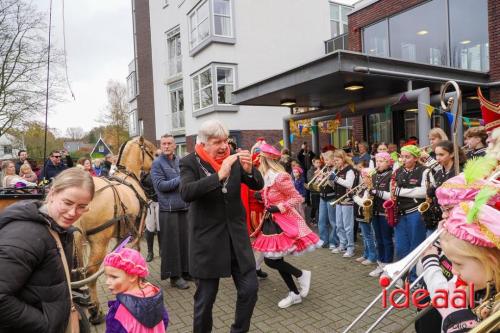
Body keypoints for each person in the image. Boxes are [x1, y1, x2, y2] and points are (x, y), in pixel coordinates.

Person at [179, 120, 264, 333]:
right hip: (207, 244)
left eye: (226, 141)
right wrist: (219, 175)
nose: (224, 146)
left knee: (250, 290)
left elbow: (257, 184)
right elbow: (186, 193)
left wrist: (250, 169)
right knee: (205, 301)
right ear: (204, 143)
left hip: (237, 239)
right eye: (218, 142)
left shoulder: (233, 157)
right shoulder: (190, 162)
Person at [0, 167, 94, 332]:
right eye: (67, 203)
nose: (73, 213)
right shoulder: (23, 237)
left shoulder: (57, 228)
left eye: (82, 206)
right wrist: (46, 324)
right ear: (51, 194)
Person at [252, 144, 321, 309]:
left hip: (283, 222)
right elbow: (271, 195)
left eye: (259, 159)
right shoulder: (267, 176)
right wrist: (261, 197)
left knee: (271, 260)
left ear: (264, 160)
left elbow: (298, 197)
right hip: (271, 222)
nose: (257, 163)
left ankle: (301, 275)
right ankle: (295, 293)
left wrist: (279, 207)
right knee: (275, 259)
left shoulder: (280, 177)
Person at [420, 199, 500, 333]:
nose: (454, 271)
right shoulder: (481, 283)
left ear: (491, 261)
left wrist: (457, 318)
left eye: (458, 264)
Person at [151, 134, 190, 289]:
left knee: (185, 242)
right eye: (163, 143)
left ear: (175, 145)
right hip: (168, 210)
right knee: (171, 245)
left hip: (184, 207)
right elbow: (161, 186)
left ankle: (186, 271)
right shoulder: (157, 164)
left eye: (169, 143)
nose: (166, 146)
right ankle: (175, 277)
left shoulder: (180, 161)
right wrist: (182, 178)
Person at [104, 247, 169, 332]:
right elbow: (165, 320)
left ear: (132, 277)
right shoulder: (154, 296)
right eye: (107, 276)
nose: (107, 282)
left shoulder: (119, 311)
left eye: (113, 277)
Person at [393, 145, 430, 281]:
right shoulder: (398, 171)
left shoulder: (424, 171)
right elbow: (393, 190)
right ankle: (404, 276)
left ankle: (415, 279)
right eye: (402, 156)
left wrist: (401, 192)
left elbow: (423, 192)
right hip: (400, 213)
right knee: (401, 247)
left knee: (416, 246)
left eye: (407, 157)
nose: (403, 159)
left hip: (415, 212)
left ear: (415, 158)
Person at [366, 152, 394, 277]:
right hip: (375, 211)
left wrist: (375, 192)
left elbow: (391, 196)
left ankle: (388, 266)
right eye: (377, 161)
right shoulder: (374, 175)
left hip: (385, 212)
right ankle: (380, 263)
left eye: (382, 161)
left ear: (388, 162)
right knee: (378, 240)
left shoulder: (392, 175)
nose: (379, 163)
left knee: (387, 240)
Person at [329, 149, 356, 257]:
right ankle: (342, 244)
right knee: (339, 225)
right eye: (334, 161)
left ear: (343, 158)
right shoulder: (337, 169)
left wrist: (336, 178)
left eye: (337, 160)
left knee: (348, 226)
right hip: (339, 199)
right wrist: (330, 179)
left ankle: (351, 247)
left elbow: (349, 184)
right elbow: (333, 185)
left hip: (347, 200)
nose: (336, 162)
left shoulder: (350, 170)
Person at [352, 167, 377, 266]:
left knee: (368, 236)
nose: (363, 179)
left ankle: (372, 256)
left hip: (366, 214)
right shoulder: (363, 187)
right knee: (365, 236)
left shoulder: (370, 189)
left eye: (365, 177)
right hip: (360, 214)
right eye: (363, 177)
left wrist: (354, 196)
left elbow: (363, 202)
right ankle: (366, 254)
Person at [317, 150, 338, 249]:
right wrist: (319, 178)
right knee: (321, 220)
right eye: (324, 160)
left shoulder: (336, 170)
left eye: (327, 160)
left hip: (331, 197)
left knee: (332, 221)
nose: (325, 162)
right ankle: (323, 240)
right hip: (322, 197)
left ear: (333, 160)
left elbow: (335, 186)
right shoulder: (324, 169)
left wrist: (328, 179)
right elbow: (319, 183)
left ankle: (333, 241)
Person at [307, 157, 322, 224]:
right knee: (314, 206)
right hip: (314, 191)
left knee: (320, 207)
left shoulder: (322, 169)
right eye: (317, 163)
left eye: (319, 162)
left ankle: (320, 220)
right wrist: (315, 175)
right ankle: (312, 218)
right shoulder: (310, 171)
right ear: (313, 163)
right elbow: (310, 180)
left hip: (320, 190)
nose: (318, 164)